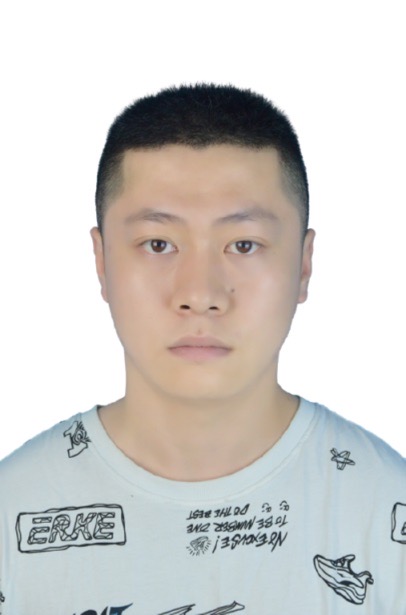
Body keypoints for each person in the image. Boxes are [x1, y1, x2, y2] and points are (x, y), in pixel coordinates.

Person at [0, 83, 404, 615]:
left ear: (304, 265)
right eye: (158, 244)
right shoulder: (12, 512)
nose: (200, 293)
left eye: (243, 244)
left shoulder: (385, 508)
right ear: (101, 262)